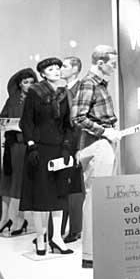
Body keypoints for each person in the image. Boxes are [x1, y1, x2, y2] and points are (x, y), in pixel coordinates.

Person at [20, 57, 74, 256]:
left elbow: (68, 125)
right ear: (43, 73)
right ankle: (41, 238)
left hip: (59, 150)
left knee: (59, 195)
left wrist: (67, 147)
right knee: (40, 195)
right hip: (40, 150)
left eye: (58, 68)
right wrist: (31, 145)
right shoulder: (35, 92)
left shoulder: (64, 93)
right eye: (51, 69)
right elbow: (27, 122)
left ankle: (57, 238)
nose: (56, 71)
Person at [72, 45, 120, 269]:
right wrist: (104, 131)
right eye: (111, 63)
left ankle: (98, 250)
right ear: (100, 62)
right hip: (96, 145)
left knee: (100, 197)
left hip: (104, 142)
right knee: (95, 198)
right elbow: (78, 117)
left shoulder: (98, 84)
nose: (114, 67)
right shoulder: (89, 83)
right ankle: (90, 254)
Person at [0, 68, 37, 236]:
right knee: (6, 182)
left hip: (27, 146)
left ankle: (20, 219)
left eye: (32, 82)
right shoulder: (12, 100)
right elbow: (0, 121)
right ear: (20, 84)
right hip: (12, 146)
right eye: (25, 82)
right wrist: (11, 124)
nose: (28, 85)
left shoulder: (37, 99)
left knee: (20, 184)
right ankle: (5, 219)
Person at [60, 56, 84, 244]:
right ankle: (58, 231)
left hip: (76, 144)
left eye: (65, 66)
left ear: (75, 69)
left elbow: (81, 123)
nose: (61, 69)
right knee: (62, 186)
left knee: (75, 187)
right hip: (61, 145)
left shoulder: (81, 89)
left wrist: (79, 148)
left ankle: (75, 229)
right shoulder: (60, 92)